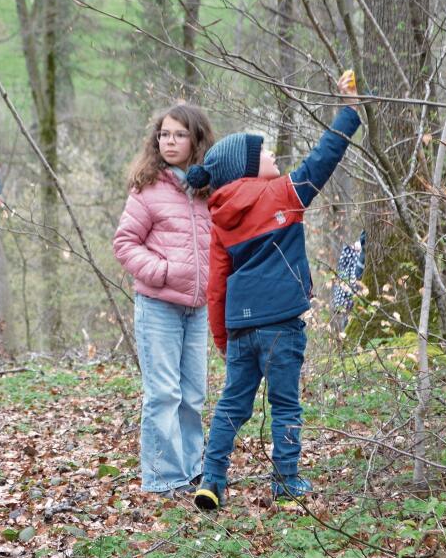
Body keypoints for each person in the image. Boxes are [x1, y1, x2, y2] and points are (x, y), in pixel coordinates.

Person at [189, 74, 361, 511]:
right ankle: (285, 484)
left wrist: (224, 340)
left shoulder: (220, 218)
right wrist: (351, 111)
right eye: (262, 151)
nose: (270, 154)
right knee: (286, 405)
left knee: (231, 406)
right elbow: (324, 159)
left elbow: (216, 287)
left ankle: (211, 480)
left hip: (241, 327)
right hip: (282, 322)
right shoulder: (283, 193)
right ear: (246, 167)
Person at [113, 103, 215, 497]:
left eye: (179, 135)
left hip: (198, 307)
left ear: (197, 140)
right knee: (164, 394)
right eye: (164, 135)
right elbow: (125, 244)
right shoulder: (149, 187)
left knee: (193, 394)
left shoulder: (209, 190)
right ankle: (160, 479)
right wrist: (162, 272)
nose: (170, 142)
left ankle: (190, 471)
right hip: (158, 306)